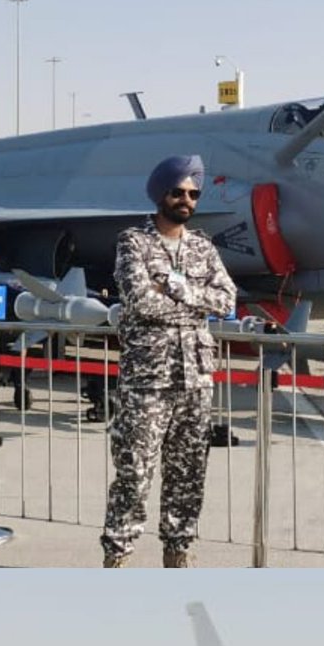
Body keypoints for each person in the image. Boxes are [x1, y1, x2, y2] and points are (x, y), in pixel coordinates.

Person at [101, 154, 238, 569]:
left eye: (194, 194)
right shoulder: (134, 242)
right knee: (134, 473)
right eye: (178, 192)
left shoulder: (202, 247)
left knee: (189, 475)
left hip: (195, 379)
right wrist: (196, 305)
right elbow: (140, 301)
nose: (187, 200)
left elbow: (227, 300)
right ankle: (117, 558)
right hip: (148, 381)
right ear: (161, 193)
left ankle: (178, 555)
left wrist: (180, 292)